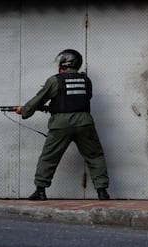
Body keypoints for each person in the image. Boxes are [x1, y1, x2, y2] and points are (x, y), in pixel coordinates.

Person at [15, 49, 110, 201]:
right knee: (95, 156)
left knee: (49, 157)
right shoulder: (86, 80)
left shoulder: (55, 80)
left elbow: (39, 99)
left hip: (61, 124)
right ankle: (102, 192)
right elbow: (82, 99)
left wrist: (24, 110)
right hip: (85, 122)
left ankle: (40, 191)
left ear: (64, 63)